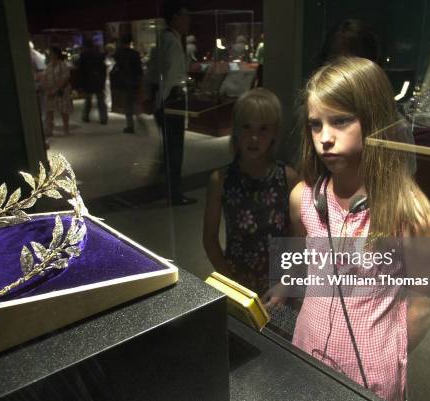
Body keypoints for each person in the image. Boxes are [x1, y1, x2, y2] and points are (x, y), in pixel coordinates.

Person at [266, 57, 430, 401]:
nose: (325, 139)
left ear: (374, 121)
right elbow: (304, 254)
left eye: (341, 121)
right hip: (307, 348)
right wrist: (287, 282)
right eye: (316, 125)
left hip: (370, 371)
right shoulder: (302, 199)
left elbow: (425, 301)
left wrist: (390, 353)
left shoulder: (412, 215)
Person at [203, 88, 299, 296]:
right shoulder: (220, 180)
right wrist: (231, 283)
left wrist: (286, 282)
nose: (254, 137)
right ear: (235, 130)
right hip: (237, 280)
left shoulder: (288, 178)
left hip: (280, 284)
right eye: (246, 127)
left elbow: (297, 238)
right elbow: (209, 239)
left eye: (263, 129)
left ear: (274, 132)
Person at [146, 0, 195, 206]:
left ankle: (167, 188)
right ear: (175, 17)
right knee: (175, 150)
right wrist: (163, 102)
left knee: (169, 148)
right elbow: (171, 77)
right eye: (185, 15)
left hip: (164, 101)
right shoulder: (173, 42)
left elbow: (153, 72)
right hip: (172, 102)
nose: (188, 20)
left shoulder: (164, 38)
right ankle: (174, 194)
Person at [111, 33, 143, 134]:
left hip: (123, 82)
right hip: (134, 81)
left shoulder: (118, 54)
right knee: (134, 101)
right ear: (130, 43)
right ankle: (139, 116)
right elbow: (139, 70)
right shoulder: (135, 54)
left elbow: (116, 66)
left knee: (127, 104)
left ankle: (130, 126)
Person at [42, 45, 72, 137]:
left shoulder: (62, 65)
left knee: (64, 110)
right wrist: (47, 89)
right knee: (49, 110)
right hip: (50, 91)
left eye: (51, 52)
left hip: (61, 91)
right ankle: (50, 129)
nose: (49, 54)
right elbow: (45, 78)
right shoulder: (49, 66)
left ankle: (66, 128)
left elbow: (65, 78)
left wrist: (55, 90)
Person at [78, 37, 108, 125]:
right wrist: (103, 78)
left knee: (88, 100)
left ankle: (85, 116)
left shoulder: (83, 55)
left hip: (88, 80)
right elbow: (103, 67)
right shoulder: (99, 54)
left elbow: (81, 69)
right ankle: (103, 118)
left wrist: (81, 82)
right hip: (98, 79)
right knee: (101, 100)